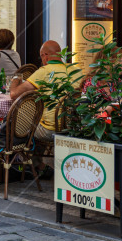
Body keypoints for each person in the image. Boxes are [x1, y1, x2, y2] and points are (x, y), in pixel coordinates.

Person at [9, 40, 83, 177]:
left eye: (41, 57)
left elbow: (14, 94)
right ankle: (38, 165)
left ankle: (21, 165)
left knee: (17, 124)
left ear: (45, 56)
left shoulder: (43, 72)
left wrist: (15, 78)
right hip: (72, 126)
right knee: (38, 119)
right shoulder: (76, 71)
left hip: (50, 130)